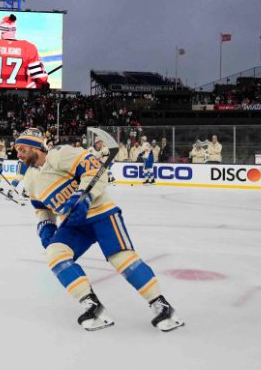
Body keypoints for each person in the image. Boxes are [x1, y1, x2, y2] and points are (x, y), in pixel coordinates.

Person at [14, 128, 183, 332]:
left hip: (100, 212)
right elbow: (41, 209)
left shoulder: (60, 154)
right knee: (55, 253)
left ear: (36, 147)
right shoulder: (31, 178)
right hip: (73, 223)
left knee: (121, 258)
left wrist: (82, 198)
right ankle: (92, 305)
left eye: (22, 149)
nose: (19, 153)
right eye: (17, 150)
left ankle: (161, 305)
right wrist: (46, 229)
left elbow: (95, 171)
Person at [0, 15, 50, 89]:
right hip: (20, 96)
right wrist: (44, 84)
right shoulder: (29, 47)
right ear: (14, 30)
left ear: (2, 30)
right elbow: (40, 77)